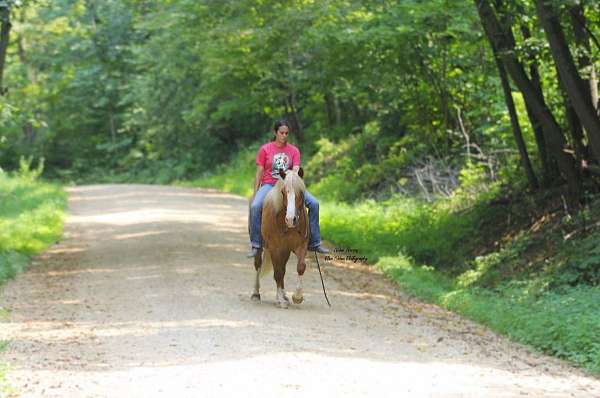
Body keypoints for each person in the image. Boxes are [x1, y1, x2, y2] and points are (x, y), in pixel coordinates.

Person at [247, 119, 329, 258]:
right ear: (275, 132)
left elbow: (296, 168)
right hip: (269, 184)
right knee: (255, 206)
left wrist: (293, 176)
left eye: (286, 133)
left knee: (314, 203)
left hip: (289, 185)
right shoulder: (265, 149)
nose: (284, 135)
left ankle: (314, 242)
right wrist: (255, 192)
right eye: (281, 132)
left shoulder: (293, 150)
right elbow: (259, 172)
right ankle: (256, 245)